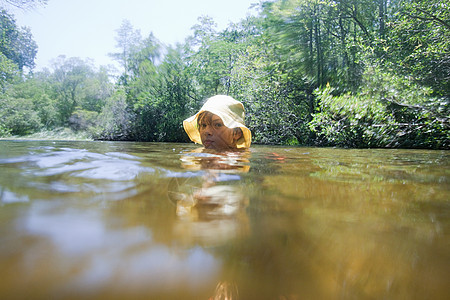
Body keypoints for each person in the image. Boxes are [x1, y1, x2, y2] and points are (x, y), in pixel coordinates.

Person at [183, 95, 252, 150]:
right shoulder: (200, 153)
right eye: (203, 125)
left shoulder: (235, 159)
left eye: (218, 125)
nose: (207, 132)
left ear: (236, 133)